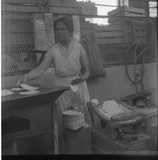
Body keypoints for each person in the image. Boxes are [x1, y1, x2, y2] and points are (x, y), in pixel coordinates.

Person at [17, 16, 91, 153]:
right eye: (57, 29)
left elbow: (87, 72)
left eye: (62, 29)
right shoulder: (53, 50)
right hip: (60, 89)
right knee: (62, 122)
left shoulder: (79, 47)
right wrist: (25, 77)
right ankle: (63, 150)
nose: (59, 32)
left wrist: (81, 79)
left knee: (80, 122)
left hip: (77, 87)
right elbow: (41, 69)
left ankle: (82, 149)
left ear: (70, 31)